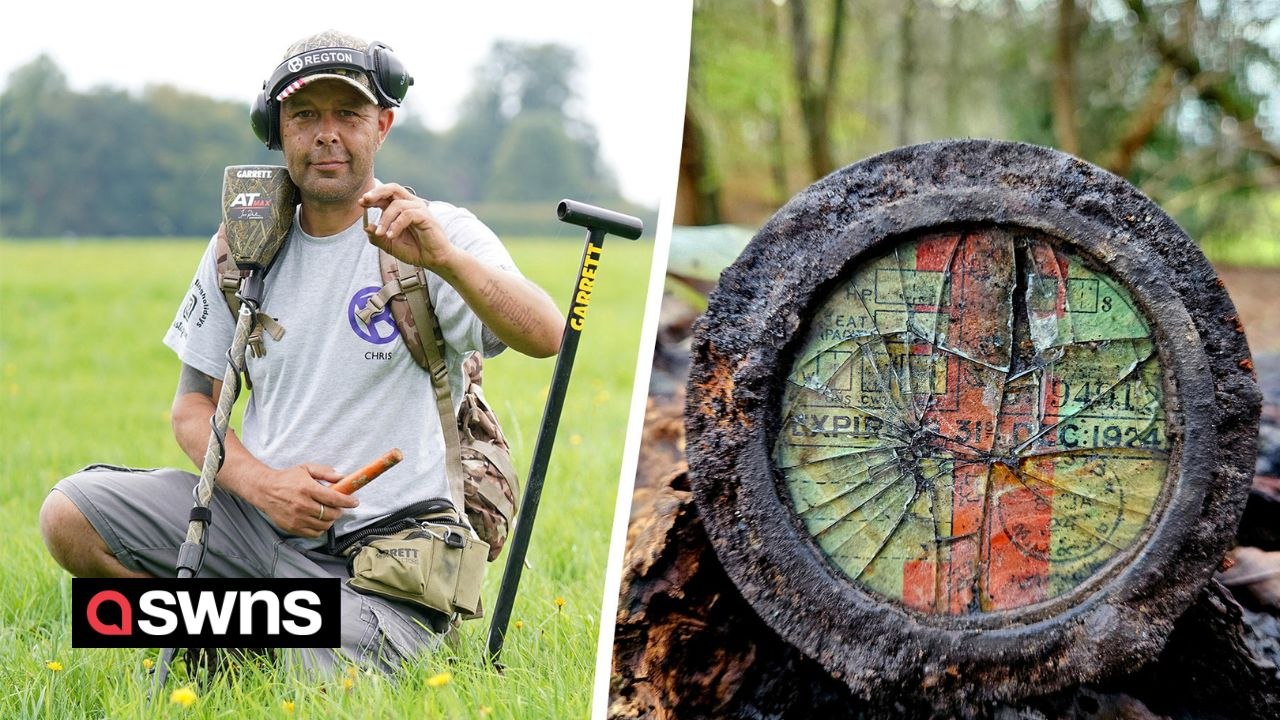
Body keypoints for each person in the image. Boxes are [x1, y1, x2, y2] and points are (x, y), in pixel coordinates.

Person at [37, 29, 563, 672]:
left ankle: (281, 638)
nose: (326, 134)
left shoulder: (437, 232)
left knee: (313, 665)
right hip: (254, 524)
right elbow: (191, 409)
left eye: (348, 113)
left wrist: (445, 262)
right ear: (276, 129)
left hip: (387, 546)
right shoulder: (242, 242)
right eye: (305, 115)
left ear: (383, 125)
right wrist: (265, 486)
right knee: (68, 518)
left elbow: (545, 335)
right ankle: (226, 646)